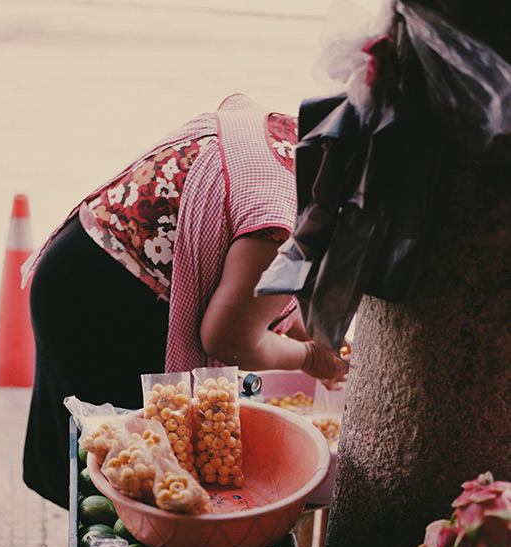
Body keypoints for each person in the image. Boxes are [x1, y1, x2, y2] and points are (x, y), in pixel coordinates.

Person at [21, 93, 349, 509]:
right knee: (130, 483)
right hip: (102, 304)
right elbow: (230, 339)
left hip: (82, 258)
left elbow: (255, 290)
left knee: (124, 474)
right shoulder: (281, 225)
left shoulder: (299, 147)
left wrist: (304, 330)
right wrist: (309, 358)